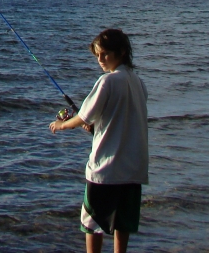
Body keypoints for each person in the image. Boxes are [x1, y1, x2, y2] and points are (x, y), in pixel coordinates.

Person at [50, 28, 148, 253]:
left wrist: (61, 125)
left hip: (105, 169)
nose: (100, 60)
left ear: (121, 52)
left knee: (92, 222)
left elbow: (83, 116)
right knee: (123, 222)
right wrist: (96, 127)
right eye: (97, 55)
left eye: (105, 54)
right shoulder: (138, 83)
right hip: (134, 169)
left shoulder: (107, 81)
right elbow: (121, 119)